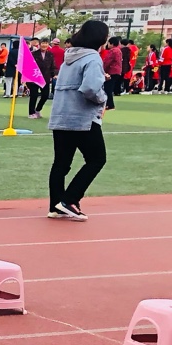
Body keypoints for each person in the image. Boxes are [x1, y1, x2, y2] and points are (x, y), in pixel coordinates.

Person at [47, 19, 110, 221]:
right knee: (97, 159)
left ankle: (56, 205)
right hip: (82, 118)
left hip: (61, 115)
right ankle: (70, 200)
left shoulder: (69, 57)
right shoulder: (92, 58)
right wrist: (102, 99)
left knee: (61, 163)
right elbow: (90, 88)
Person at [27, 39, 55, 118]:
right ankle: (31, 113)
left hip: (45, 78)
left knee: (45, 95)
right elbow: (28, 65)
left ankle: (38, 109)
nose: (44, 45)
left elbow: (52, 66)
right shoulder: (33, 54)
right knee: (34, 96)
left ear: (48, 45)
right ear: (39, 44)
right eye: (43, 43)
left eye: (46, 43)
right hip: (34, 77)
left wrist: (53, 75)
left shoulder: (50, 54)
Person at [101, 35, 123, 109]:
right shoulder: (119, 50)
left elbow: (107, 61)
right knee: (109, 88)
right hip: (117, 71)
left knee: (107, 88)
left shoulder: (113, 51)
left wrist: (102, 69)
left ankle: (109, 104)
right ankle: (109, 104)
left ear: (112, 44)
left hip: (112, 71)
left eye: (108, 43)